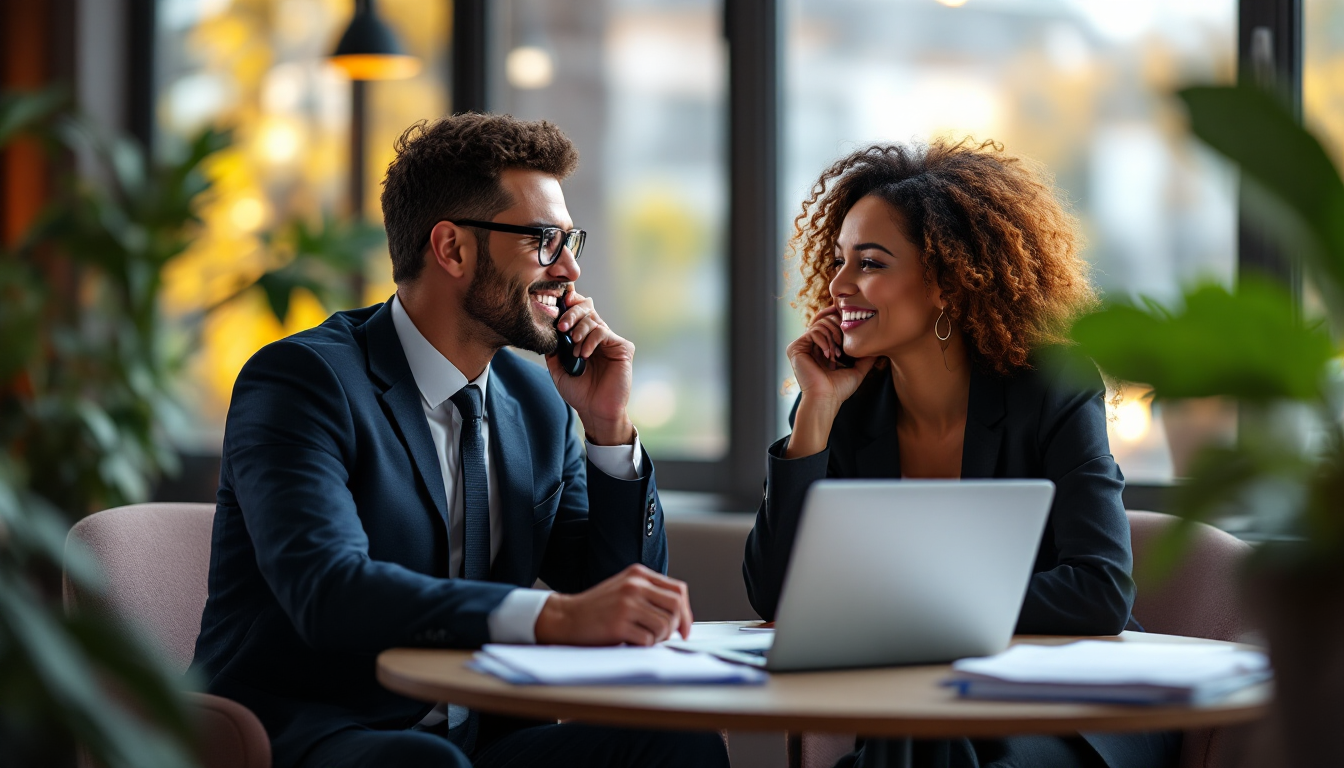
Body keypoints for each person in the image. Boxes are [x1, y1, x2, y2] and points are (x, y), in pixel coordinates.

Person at [190, 114, 729, 768]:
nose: (570, 267)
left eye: (570, 240)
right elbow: (328, 590)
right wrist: (552, 617)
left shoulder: (539, 405)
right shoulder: (303, 381)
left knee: (678, 737)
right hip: (314, 734)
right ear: (451, 249)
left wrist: (608, 427)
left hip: (483, 741)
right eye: (544, 240)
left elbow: (621, 600)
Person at [742, 140, 1180, 768]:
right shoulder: (844, 410)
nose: (838, 284)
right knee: (921, 739)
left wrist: (909, 610)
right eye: (839, 260)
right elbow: (776, 594)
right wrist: (815, 411)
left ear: (946, 281)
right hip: (925, 709)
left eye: (870, 262)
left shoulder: (1052, 388)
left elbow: (1101, 588)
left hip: (1071, 710)